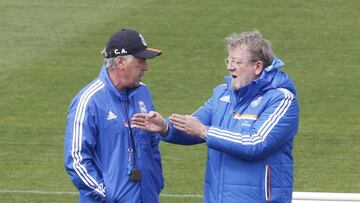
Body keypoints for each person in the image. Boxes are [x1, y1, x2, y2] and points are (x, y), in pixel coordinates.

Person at [132, 30, 299, 203]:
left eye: (237, 62)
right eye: (229, 60)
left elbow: (255, 143)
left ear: (257, 67)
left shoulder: (281, 99)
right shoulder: (223, 95)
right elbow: (193, 126)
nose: (230, 67)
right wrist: (165, 127)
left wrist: (205, 131)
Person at [64, 28, 164, 203]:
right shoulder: (89, 101)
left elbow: (152, 144)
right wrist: (106, 195)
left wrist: (155, 184)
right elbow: (76, 159)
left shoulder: (143, 92)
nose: (146, 67)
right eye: (141, 60)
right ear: (120, 62)